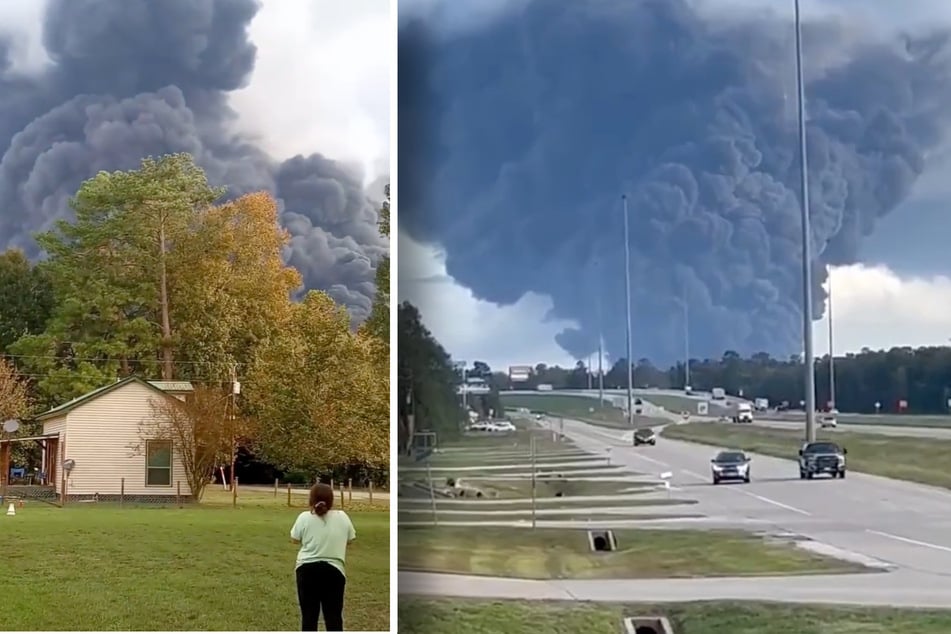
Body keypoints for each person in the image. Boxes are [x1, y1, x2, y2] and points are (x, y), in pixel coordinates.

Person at [290, 482, 356, 631]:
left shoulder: (304, 517)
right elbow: (350, 540)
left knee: (309, 616)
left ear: (311, 499)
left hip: (306, 570)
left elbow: (294, 539)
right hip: (334, 571)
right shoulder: (343, 517)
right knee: (333, 617)